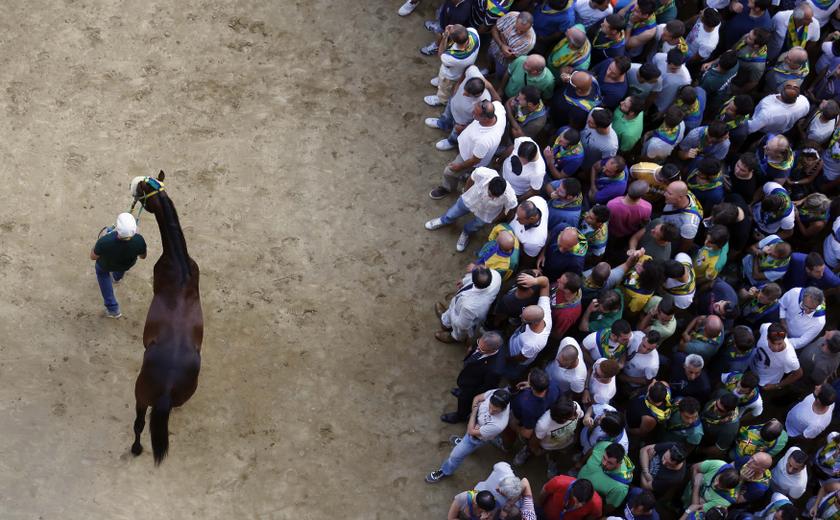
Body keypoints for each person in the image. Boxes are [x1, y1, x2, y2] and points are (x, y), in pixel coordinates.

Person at [426, 388, 512, 483]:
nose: (491, 411)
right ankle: (464, 444)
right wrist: (474, 416)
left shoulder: (498, 425)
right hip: (476, 426)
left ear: (503, 408)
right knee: (466, 442)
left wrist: (474, 412)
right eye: (490, 407)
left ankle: (445, 471)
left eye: (495, 411)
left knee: (455, 456)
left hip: (476, 438)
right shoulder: (495, 393)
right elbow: (477, 398)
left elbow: (471, 431)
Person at [430, 100, 507, 200]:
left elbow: (475, 160)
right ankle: (465, 175)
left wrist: (460, 166)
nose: (472, 113)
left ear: (485, 118)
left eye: (475, 113)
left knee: (449, 172)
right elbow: (498, 100)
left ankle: (447, 188)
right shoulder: (498, 109)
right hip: (468, 149)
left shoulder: (485, 140)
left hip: (468, 158)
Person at [426, 169, 518, 252]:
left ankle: (466, 233)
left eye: (495, 197)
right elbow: (471, 178)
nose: (492, 197)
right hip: (471, 200)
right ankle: (444, 220)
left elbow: (510, 208)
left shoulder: (510, 197)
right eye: (490, 194)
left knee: (475, 225)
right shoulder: (483, 173)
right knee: (454, 211)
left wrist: (496, 218)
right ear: (489, 184)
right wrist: (465, 191)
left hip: (486, 213)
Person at [497, 273, 552, 381]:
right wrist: (534, 281)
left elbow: (521, 358)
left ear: (534, 323)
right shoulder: (544, 309)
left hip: (515, 358)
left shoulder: (533, 343)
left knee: (509, 372)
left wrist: (505, 357)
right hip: (513, 343)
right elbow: (545, 282)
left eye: (524, 318)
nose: (521, 316)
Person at [91, 212, 147, 318]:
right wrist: (136, 237)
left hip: (105, 265)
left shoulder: (104, 241)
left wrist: (100, 239)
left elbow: (93, 256)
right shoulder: (139, 240)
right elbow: (142, 256)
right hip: (126, 264)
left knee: (102, 274)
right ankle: (117, 278)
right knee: (121, 265)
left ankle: (113, 309)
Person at [426, 65, 494, 152]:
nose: (464, 94)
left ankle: (451, 142)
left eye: (468, 94)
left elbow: (479, 121)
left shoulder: (484, 101)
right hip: (453, 104)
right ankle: (442, 124)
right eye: (464, 90)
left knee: (456, 133)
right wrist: (458, 85)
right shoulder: (473, 73)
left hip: (462, 121)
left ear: (478, 95)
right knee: (446, 116)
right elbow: (469, 67)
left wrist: (465, 127)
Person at [442, 331, 506, 424]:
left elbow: (486, 387)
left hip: (473, 388)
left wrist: (471, 395)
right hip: (469, 376)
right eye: (478, 344)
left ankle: (460, 416)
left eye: (482, 350)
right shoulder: (492, 337)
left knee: (464, 402)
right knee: (462, 391)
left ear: (493, 349)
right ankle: (461, 391)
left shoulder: (495, 370)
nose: (478, 349)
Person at [436, 265, 503, 343]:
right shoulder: (495, 275)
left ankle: (454, 337)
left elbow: (462, 325)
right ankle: (445, 322)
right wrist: (464, 281)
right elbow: (475, 278)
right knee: (450, 312)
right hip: (460, 305)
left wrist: (452, 312)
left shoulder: (470, 306)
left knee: (460, 330)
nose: (478, 265)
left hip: (464, 316)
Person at [426, 25, 481, 107]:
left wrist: (445, 37)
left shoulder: (452, 57)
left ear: (453, 40)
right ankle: (440, 82)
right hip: (460, 71)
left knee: (445, 89)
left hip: (450, 76)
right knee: (442, 81)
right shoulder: (474, 33)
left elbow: (440, 54)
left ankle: (441, 100)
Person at [578, 441, 634, 512]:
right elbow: (592, 450)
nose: (604, 463)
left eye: (610, 463)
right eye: (604, 458)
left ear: (619, 463)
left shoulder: (620, 488)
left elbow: (609, 507)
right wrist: (580, 463)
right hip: (576, 479)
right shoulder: (605, 445)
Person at [749, 322, 803, 391]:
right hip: (753, 365)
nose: (776, 348)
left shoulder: (789, 358)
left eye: (779, 344)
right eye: (772, 343)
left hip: (764, 380)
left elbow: (799, 373)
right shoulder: (766, 327)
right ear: (767, 337)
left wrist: (776, 386)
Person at [747, 81, 811, 135]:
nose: (792, 86)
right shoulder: (804, 102)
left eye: (794, 87)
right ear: (798, 95)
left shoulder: (767, 110)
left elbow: (750, 128)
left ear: (781, 91)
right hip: (781, 132)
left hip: (760, 131)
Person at [488, 11, 537, 79]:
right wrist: (501, 45)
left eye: (523, 31)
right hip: (493, 46)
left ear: (531, 26)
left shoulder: (529, 42)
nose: (518, 32)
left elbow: (509, 56)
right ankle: (490, 72)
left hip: (503, 62)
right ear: (516, 19)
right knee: (490, 60)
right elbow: (494, 29)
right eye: (517, 28)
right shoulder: (511, 16)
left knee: (499, 75)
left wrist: (502, 38)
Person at [661, 181, 703, 251]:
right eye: (666, 191)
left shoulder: (689, 224)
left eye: (669, 194)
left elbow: (685, 245)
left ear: (680, 198)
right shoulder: (684, 193)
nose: (665, 194)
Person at [538, 477, 603, 520]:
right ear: (572, 491)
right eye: (576, 501)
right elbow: (544, 492)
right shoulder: (559, 482)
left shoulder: (597, 504)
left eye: (582, 504)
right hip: (545, 514)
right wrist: (539, 506)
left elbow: (593, 517)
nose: (578, 506)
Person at [651, 49, 692, 114]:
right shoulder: (658, 57)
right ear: (667, 61)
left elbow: (678, 98)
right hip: (649, 94)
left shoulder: (686, 79)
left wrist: (663, 112)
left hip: (661, 105)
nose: (674, 70)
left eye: (677, 68)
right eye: (672, 68)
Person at [581, 108, 620, 174]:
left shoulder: (610, 146)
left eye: (591, 123)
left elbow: (603, 164)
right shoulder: (596, 111)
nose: (587, 122)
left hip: (586, 163)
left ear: (600, 127)